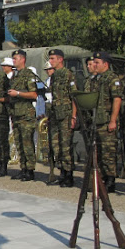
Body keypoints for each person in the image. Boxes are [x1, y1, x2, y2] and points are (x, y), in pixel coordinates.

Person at [91, 52, 122, 193]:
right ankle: (101, 178)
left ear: (105, 64)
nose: (94, 65)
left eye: (97, 62)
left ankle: (110, 180)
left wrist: (113, 120)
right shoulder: (96, 79)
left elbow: (117, 99)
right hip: (97, 120)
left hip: (107, 121)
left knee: (108, 151)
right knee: (98, 151)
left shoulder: (112, 79)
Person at [47, 49, 77, 187]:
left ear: (60, 59)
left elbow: (74, 97)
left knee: (65, 146)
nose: (50, 61)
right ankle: (62, 172)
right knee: (56, 145)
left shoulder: (68, 75)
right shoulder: (54, 76)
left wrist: (73, 116)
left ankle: (68, 174)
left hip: (65, 115)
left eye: (53, 58)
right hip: (55, 115)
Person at [8, 49, 38, 181]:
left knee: (27, 143)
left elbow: (34, 94)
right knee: (19, 143)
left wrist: (18, 94)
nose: (13, 61)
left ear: (22, 59)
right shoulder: (15, 75)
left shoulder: (28, 74)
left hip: (26, 114)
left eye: (15, 59)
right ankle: (23, 168)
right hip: (16, 114)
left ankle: (30, 170)